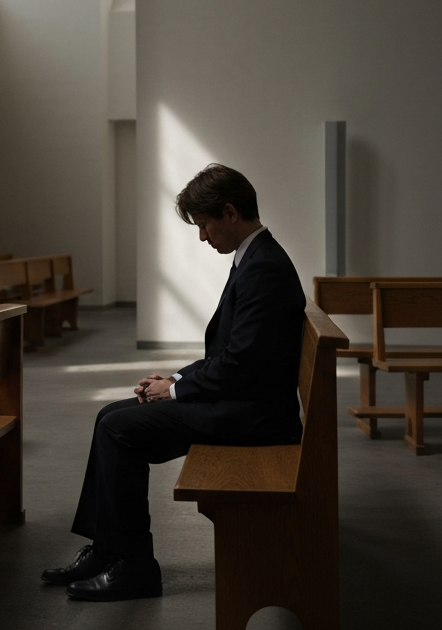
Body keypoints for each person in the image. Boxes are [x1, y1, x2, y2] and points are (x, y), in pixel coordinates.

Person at [42, 163, 306, 601]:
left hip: (256, 418)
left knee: (118, 428)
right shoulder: (256, 258)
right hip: (245, 400)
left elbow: (240, 363)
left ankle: (135, 567)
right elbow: (235, 355)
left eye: (204, 225)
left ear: (229, 213)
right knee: (110, 415)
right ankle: (108, 548)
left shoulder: (264, 267)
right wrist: (176, 378)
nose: (202, 236)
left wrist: (177, 390)